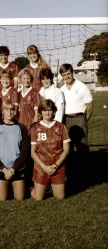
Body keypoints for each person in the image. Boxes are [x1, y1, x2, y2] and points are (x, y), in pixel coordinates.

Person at [59, 63, 93, 191]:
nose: (67, 76)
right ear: (62, 76)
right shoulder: (61, 90)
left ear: (72, 73)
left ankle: (86, 180)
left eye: (68, 74)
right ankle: (71, 178)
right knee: (68, 150)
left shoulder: (82, 87)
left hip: (79, 118)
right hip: (66, 119)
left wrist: (84, 121)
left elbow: (90, 107)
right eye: (64, 75)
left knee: (82, 150)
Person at [30, 99, 70, 200]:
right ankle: (31, 188)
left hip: (57, 166)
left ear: (54, 111)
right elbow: (33, 152)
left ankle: (49, 185)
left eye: (50, 110)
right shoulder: (35, 128)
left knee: (60, 196)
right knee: (38, 198)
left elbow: (66, 149)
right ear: (40, 112)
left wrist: (56, 165)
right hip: (41, 167)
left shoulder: (61, 127)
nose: (47, 113)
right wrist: (44, 167)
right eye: (44, 110)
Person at [0, 100, 29, 201]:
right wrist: (4, 169)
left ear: (15, 111)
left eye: (12, 109)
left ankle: (24, 186)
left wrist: (12, 169)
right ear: (2, 111)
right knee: (2, 198)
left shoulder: (22, 128)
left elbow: (25, 152)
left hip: (17, 168)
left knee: (19, 198)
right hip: (1, 168)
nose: (9, 112)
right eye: (6, 109)